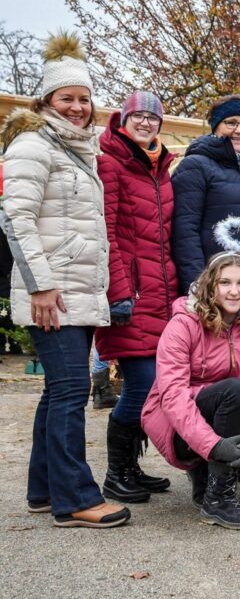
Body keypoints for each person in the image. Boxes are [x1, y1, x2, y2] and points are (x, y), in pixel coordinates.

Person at [0, 32, 129, 527]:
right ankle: (74, 498)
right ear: (45, 101)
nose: (77, 107)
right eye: (66, 98)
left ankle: (42, 489)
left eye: (83, 99)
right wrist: (41, 285)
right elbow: (15, 219)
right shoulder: (33, 144)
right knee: (73, 390)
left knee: (58, 391)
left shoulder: (77, 149)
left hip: (74, 291)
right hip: (52, 295)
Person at [141, 253, 240, 530]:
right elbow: (173, 396)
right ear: (211, 286)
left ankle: (208, 474)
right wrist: (213, 444)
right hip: (177, 423)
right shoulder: (183, 325)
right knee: (235, 390)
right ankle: (218, 500)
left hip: (230, 416)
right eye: (225, 282)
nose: (233, 291)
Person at [95, 90, 178, 504]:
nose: (146, 123)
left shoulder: (160, 169)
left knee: (155, 385)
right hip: (131, 294)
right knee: (141, 385)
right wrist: (119, 292)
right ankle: (116, 473)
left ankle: (133, 467)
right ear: (123, 120)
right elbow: (107, 235)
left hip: (162, 295)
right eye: (138, 116)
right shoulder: (110, 164)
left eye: (153, 117)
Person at [171, 95, 240, 301]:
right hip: (217, 287)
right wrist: (197, 286)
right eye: (230, 122)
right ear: (215, 126)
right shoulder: (196, 166)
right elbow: (184, 233)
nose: (238, 130)